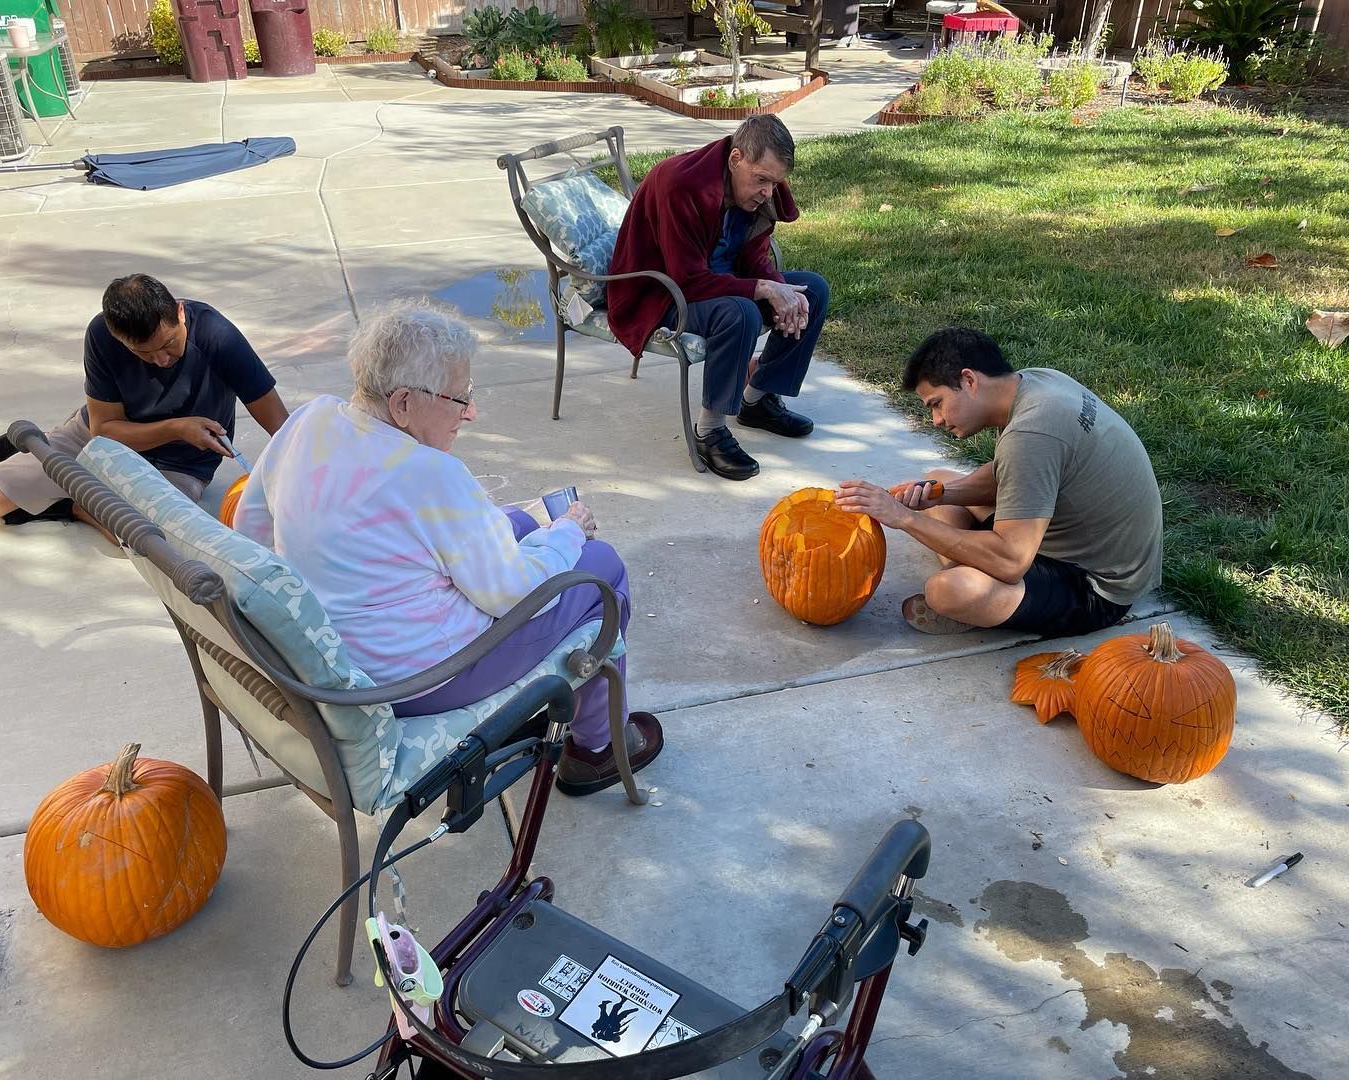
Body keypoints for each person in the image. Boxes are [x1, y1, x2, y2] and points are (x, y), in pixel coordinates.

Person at [232, 299, 664, 797]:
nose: (472, 412)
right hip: (421, 679)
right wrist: (567, 529)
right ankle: (597, 748)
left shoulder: (309, 421)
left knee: (519, 522)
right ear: (403, 404)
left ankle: (581, 724)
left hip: (340, 656)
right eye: (459, 399)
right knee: (600, 567)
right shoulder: (429, 474)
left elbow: (251, 530)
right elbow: (509, 594)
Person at [835, 327, 1163, 638]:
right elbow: (1007, 473)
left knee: (947, 590)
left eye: (937, 403)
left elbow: (1011, 561)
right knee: (938, 480)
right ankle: (972, 560)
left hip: (1098, 587)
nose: (936, 420)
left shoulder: (1031, 435)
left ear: (969, 380)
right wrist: (941, 495)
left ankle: (972, 589)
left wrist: (903, 518)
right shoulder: (1037, 384)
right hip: (1080, 536)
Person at [0, 274, 288, 531]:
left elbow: (277, 419)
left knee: (149, 538)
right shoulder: (101, 335)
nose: (160, 359)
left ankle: (75, 503)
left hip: (180, 465)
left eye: (169, 344)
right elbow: (105, 429)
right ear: (118, 338)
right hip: (100, 438)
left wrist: (304, 468)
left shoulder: (217, 335)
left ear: (180, 312)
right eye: (143, 353)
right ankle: (56, 465)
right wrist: (177, 427)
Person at [607, 115, 830, 481]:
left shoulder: (760, 189)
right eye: (761, 180)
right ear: (735, 158)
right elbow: (687, 280)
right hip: (662, 294)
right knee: (740, 312)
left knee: (812, 290)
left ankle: (757, 400)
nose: (768, 193)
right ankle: (709, 431)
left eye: (776, 183)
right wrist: (763, 289)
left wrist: (779, 289)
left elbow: (755, 256)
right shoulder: (678, 183)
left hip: (719, 284)